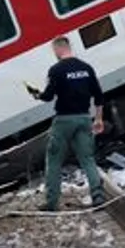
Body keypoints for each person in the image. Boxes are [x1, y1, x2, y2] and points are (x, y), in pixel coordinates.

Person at [25, 37, 106, 211]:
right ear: (69, 47)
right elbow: (99, 96)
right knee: (87, 159)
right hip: (84, 118)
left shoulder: (56, 70)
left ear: (57, 50)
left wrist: (37, 95)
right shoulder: (86, 68)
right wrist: (98, 118)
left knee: (54, 160)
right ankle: (98, 196)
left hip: (64, 121)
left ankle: (52, 202)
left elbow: (48, 96)